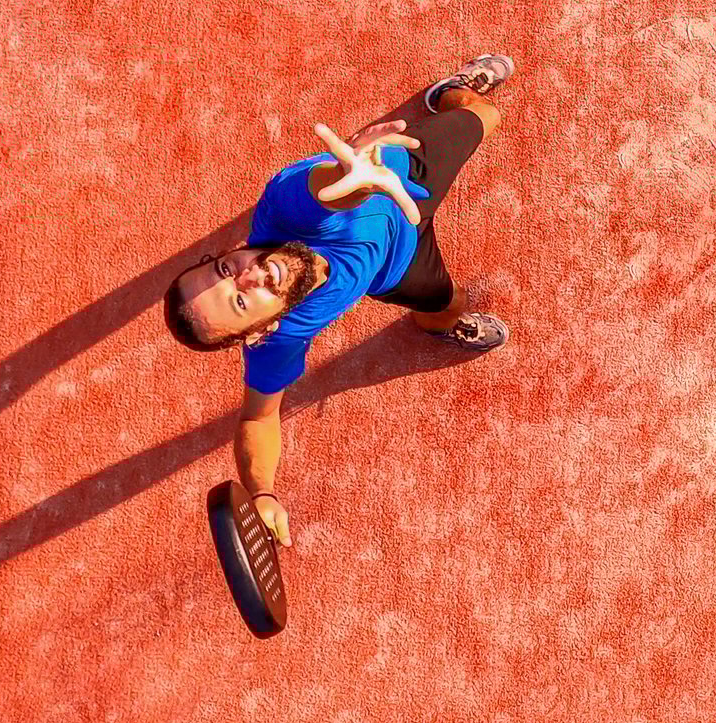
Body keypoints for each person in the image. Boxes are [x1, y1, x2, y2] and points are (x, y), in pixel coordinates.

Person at [162, 55, 515, 546]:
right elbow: (258, 417)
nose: (247, 276)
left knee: (485, 115)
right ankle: (443, 323)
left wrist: (352, 178)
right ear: (260, 332)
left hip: (403, 175)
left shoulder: (283, 208)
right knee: (445, 307)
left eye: (225, 269)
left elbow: (324, 193)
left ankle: (450, 94)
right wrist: (262, 493)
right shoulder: (280, 341)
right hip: (399, 268)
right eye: (240, 303)